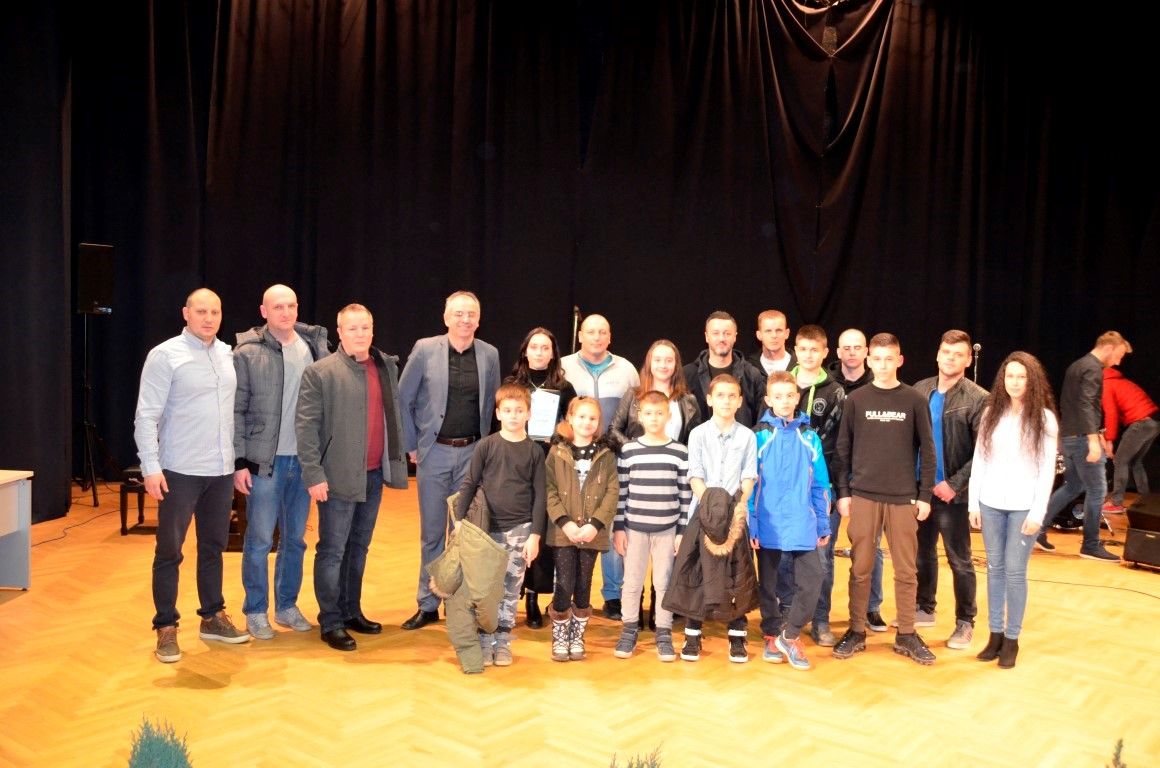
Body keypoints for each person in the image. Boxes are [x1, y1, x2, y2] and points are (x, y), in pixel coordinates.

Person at [134, 288, 249, 663]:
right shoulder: (165, 355)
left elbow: (231, 414)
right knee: (169, 551)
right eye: (201, 311)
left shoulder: (227, 354)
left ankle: (212, 617)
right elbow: (146, 415)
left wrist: (236, 463)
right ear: (186, 313)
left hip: (220, 471)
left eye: (215, 311)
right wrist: (151, 466)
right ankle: (166, 626)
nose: (209, 318)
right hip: (179, 471)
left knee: (214, 547)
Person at [296, 303, 408, 651]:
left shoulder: (385, 367)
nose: (360, 334)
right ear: (340, 332)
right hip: (335, 477)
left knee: (359, 547)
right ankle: (330, 620)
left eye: (365, 328)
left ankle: (351, 611)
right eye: (353, 328)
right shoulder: (320, 373)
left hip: (372, 475)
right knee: (332, 550)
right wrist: (314, 474)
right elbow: (306, 428)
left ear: (373, 330)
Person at [831, 333, 937, 665]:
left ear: (899, 360)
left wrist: (925, 495)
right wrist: (844, 493)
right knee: (861, 568)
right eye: (877, 359)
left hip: (903, 498)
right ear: (868, 361)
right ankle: (856, 630)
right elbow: (843, 450)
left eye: (889, 359)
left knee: (906, 570)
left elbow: (928, 451)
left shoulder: (914, 400)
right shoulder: (856, 400)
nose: (883, 365)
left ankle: (906, 633)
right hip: (863, 496)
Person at [399, 291, 502, 630]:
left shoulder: (489, 354)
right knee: (432, 533)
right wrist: (412, 445)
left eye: (471, 313)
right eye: (458, 313)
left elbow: (493, 407)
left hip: (473, 454)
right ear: (446, 318)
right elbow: (403, 399)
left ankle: (459, 606)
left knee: (466, 534)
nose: (465, 319)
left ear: (479, 319)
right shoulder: (425, 349)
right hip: (434, 453)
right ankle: (427, 603)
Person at [233, 284, 330, 640]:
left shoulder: (314, 348)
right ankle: (256, 610)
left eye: (291, 305)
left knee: (295, 540)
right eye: (277, 307)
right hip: (264, 464)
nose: (285, 312)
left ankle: (286, 605)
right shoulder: (246, 353)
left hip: (304, 463)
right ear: (264, 311)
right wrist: (239, 462)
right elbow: (235, 410)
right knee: (259, 540)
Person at [968, 352, 1059, 669]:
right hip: (990, 504)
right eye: (1010, 376)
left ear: (1032, 381)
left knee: (1015, 572)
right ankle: (994, 634)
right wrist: (973, 503)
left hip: (1024, 507)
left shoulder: (1044, 419)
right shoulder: (992, 413)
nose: (1015, 382)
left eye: (1021, 377)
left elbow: (1046, 470)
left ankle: (1012, 639)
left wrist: (1038, 513)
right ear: (1002, 380)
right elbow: (980, 460)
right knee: (995, 569)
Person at [453, 384, 547, 667]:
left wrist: (535, 535)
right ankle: (484, 639)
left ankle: (503, 641)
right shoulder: (487, 445)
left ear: (529, 414)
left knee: (510, 588)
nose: (513, 415)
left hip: (520, 529)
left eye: (519, 410)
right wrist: (459, 521)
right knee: (486, 588)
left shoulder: (534, 451)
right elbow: (470, 483)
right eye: (507, 410)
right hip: (487, 530)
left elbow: (540, 495)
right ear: (498, 413)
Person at [559, 313, 640, 620]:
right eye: (590, 332)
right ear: (580, 335)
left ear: (610, 336)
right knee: (570, 518)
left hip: (611, 458)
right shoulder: (563, 367)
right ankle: (563, 592)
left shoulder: (627, 370)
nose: (596, 337)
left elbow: (634, 413)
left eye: (602, 332)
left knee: (609, 520)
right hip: (572, 457)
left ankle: (613, 595)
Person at [673, 374, 759, 663]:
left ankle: (737, 635)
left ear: (740, 401)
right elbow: (695, 475)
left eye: (732, 396)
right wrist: (711, 507)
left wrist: (735, 507)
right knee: (698, 573)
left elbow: (749, 476)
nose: (726, 401)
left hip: (735, 515)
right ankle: (692, 635)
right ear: (709, 400)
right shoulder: (698, 434)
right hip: (704, 513)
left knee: (737, 575)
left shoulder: (747, 436)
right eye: (720, 395)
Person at [911, 330, 987, 650]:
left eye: (958, 354)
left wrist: (954, 485)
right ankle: (924, 608)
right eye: (946, 352)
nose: (951, 358)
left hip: (953, 494)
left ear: (968, 360)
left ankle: (965, 622)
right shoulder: (919, 389)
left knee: (960, 560)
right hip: (920, 491)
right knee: (922, 553)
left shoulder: (979, 398)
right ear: (937, 355)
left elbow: (983, 451)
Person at [750, 371, 831, 671]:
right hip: (767, 523)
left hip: (802, 521)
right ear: (768, 400)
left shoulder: (809, 438)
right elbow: (750, 485)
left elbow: (820, 485)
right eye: (778, 396)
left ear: (798, 398)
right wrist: (752, 522)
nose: (784, 401)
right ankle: (772, 634)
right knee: (768, 585)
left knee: (813, 580)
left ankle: (790, 634)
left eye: (789, 396)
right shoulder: (758, 437)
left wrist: (822, 523)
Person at [504, 327, 577, 629]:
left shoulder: (564, 387)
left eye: (545, 348)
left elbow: (573, 427)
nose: (539, 352)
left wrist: (557, 436)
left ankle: (534, 597)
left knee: (542, 530)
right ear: (525, 351)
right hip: (516, 461)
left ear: (553, 354)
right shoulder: (511, 384)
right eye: (534, 347)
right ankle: (510, 593)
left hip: (549, 462)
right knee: (516, 526)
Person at [612, 391, 692, 662]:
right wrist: (619, 528)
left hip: (667, 529)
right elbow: (622, 492)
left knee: (663, 583)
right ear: (639, 416)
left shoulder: (680, 452)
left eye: (659, 413)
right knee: (632, 582)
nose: (654, 418)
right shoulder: (629, 451)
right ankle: (629, 629)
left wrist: (681, 532)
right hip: (633, 529)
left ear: (668, 416)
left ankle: (664, 633)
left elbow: (685, 496)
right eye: (648, 413)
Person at [1038, 331, 1130, 561]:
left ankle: (1038, 529)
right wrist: (1093, 439)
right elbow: (1087, 404)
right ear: (1108, 348)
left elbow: (1072, 404)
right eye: (1118, 355)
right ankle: (1090, 545)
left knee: (1072, 486)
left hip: (1069, 437)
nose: (1118, 362)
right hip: (1081, 439)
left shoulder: (1076, 366)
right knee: (1097, 490)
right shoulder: (1093, 368)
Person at [821, 326, 887, 636]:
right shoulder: (826, 384)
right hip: (830, 476)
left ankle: (871, 607)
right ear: (837, 352)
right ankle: (821, 613)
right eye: (845, 347)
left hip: (866, 477)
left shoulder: (879, 384)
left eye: (857, 347)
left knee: (870, 546)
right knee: (825, 546)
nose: (851, 352)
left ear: (866, 352)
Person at [544, 398, 619, 661]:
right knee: (564, 583)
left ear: (599, 423)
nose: (587, 422)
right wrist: (565, 522)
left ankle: (577, 636)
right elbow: (550, 490)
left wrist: (595, 525)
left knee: (584, 583)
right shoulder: (556, 453)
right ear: (570, 419)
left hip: (591, 533)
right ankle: (560, 635)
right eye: (582, 417)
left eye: (593, 418)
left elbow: (612, 492)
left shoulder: (606, 455)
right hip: (563, 531)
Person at [609, 339, 700, 449]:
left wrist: (680, 453)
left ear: (676, 364)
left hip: (674, 459)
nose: (663, 365)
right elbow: (613, 430)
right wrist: (633, 449)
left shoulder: (689, 401)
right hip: (637, 459)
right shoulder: (633, 395)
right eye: (657, 360)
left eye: (669, 360)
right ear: (649, 363)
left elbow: (697, 439)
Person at [684, 311, 766, 427]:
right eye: (716, 333)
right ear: (707, 337)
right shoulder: (688, 375)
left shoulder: (752, 375)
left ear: (735, 337)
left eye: (727, 333)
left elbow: (762, 419)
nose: (721, 338)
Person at [1102, 354, 1158, 512]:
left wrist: (1109, 440)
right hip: (1153, 423)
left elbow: (1111, 414)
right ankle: (1146, 501)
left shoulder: (1107, 384)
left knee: (1120, 461)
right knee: (1135, 462)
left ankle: (1116, 503)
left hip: (1141, 424)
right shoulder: (1120, 382)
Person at [747, 309, 795, 376]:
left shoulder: (800, 364)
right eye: (768, 331)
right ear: (759, 335)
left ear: (787, 333)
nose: (774, 335)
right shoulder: (748, 368)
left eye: (779, 330)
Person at [827, 328, 874, 393]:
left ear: (865, 352)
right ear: (839, 353)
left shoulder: (878, 383)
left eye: (857, 348)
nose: (852, 353)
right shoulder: (826, 382)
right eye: (847, 348)